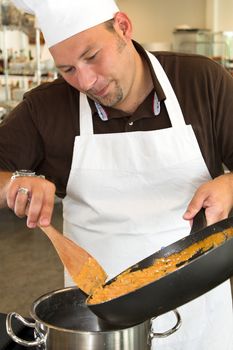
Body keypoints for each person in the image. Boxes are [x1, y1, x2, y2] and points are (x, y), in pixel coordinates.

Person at [0, 0, 233, 348]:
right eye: (67, 69)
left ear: (123, 26)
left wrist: (230, 184)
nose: (86, 81)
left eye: (92, 56)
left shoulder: (201, 81)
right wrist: (14, 182)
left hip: (199, 307)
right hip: (101, 321)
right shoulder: (44, 108)